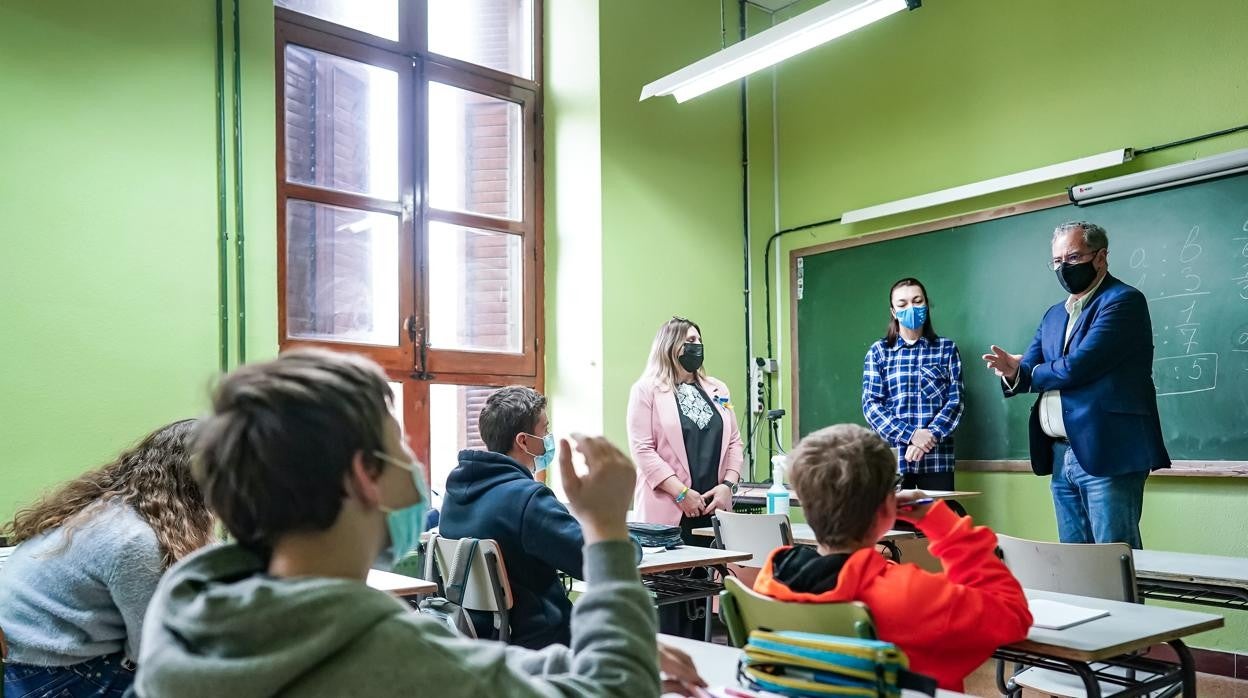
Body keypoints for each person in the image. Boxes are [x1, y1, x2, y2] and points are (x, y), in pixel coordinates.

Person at [131, 348, 697, 698]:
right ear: (364, 475)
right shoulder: (379, 654)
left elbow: (459, 667)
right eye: (400, 442)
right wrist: (606, 530)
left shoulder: (193, 612)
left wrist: (579, 657)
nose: (415, 460)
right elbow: (617, 690)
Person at [752, 424, 1032, 692]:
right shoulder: (913, 595)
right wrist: (939, 520)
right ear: (887, 507)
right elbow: (1013, 615)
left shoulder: (772, 578)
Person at [983, 221, 1169, 549]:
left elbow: (1078, 366)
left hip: (1107, 450)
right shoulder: (1054, 315)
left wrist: (1027, 373)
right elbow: (1029, 366)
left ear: (1100, 257)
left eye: (1072, 258)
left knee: (1115, 560)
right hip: (1060, 455)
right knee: (1073, 564)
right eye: (1056, 261)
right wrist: (1013, 372)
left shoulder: (1123, 301)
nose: (1063, 268)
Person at [0, 420, 215, 698]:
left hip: (32, 655)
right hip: (51, 674)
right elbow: (150, 650)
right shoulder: (136, 539)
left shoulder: (113, 508)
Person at [438, 386, 584, 649]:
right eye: (545, 429)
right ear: (523, 441)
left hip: (482, 641)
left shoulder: (454, 495)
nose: (549, 437)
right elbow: (597, 561)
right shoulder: (528, 499)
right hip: (544, 643)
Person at [627, 316, 743, 533]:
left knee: (717, 566)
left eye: (699, 340)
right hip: (669, 508)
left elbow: (735, 441)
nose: (697, 345)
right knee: (671, 567)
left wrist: (727, 486)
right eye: (690, 340)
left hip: (714, 508)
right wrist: (681, 493)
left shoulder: (719, 389)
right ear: (670, 345)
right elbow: (642, 449)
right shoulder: (645, 390)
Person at [861, 277, 964, 492]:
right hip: (891, 460)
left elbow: (955, 401)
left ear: (926, 304)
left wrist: (929, 437)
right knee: (892, 525)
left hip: (936, 460)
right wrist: (911, 435)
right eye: (902, 304)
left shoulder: (946, 349)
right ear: (893, 311)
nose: (911, 307)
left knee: (937, 524)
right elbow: (872, 406)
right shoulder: (879, 352)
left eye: (917, 301)